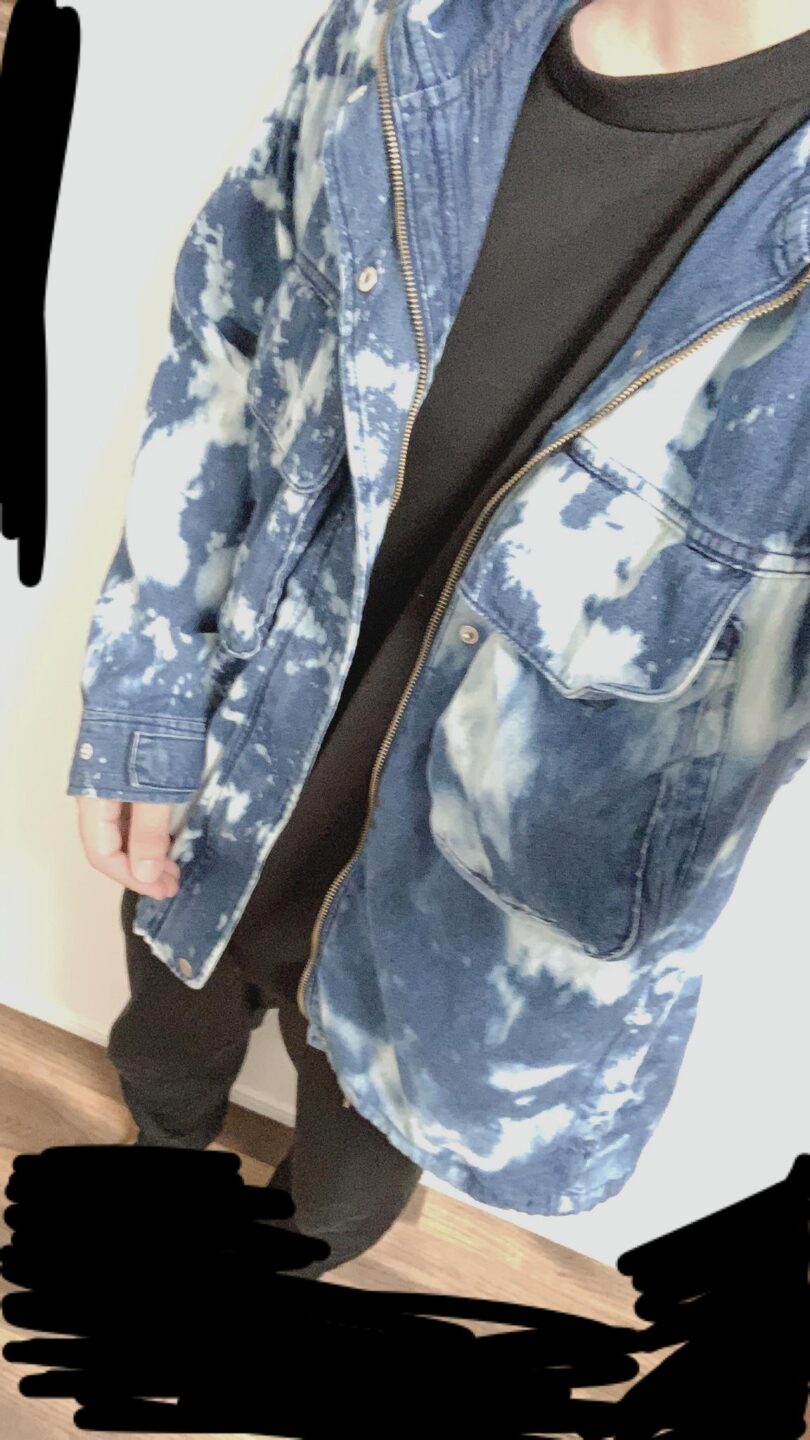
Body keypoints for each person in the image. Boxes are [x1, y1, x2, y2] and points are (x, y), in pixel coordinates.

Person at [70, 0, 810, 1278]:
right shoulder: (411, 27)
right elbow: (226, 339)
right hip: (228, 771)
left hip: (466, 934)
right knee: (164, 1051)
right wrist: (147, 684)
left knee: (338, 1198)